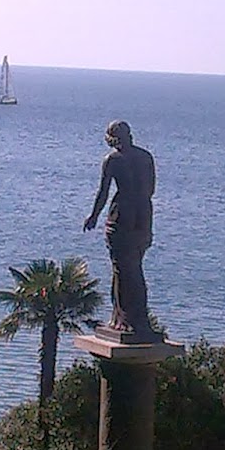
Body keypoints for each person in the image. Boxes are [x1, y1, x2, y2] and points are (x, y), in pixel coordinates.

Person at [83, 120, 158, 337]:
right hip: (143, 216)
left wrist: (94, 216)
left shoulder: (113, 160)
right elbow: (151, 189)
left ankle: (123, 320)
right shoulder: (146, 157)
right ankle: (136, 318)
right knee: (134, 268)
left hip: (122, 216)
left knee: (121, 269)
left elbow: (103, 192)